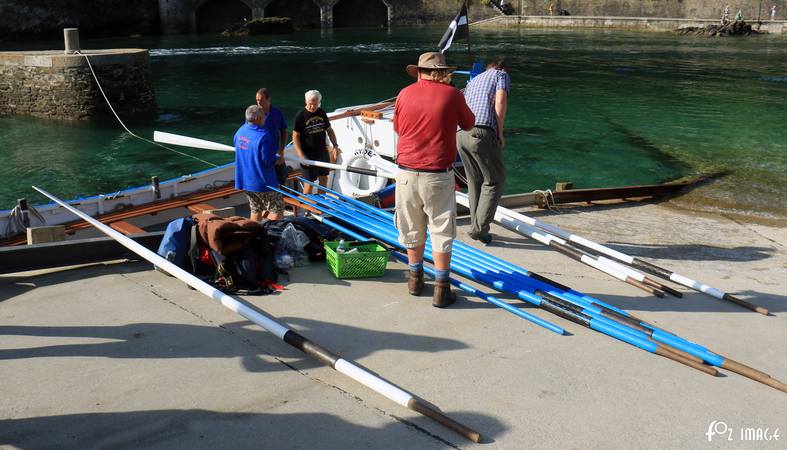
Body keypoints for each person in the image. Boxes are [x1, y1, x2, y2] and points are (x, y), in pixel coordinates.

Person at [393, 52, 475, 308]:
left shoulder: (404, 94)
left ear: (419, 72)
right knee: (440, 229)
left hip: (406, 172)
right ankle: (441, 288)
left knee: (410, 227)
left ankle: (415, 279)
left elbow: (397, 127)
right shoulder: (452, 95)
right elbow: (470, 124)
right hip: (437, 174)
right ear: (445, 73)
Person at [456, 57, 510, 246]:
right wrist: (500, 133)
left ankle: (476, 226)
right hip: (482, 131)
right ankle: (479, 229)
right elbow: (501, 101)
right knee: (495, 180)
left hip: (461, 134)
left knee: (475, 181)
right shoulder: (500, 74)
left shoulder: (474, 80)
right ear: (500, 67)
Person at [234, 105, 284, 221]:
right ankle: (271, 234)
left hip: (246, 181)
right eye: (264, 115)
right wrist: (278, 159)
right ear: (257, 118)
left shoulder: (240, 131)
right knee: (277, 208)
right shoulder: (263, 136)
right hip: (262, 182)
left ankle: (254, 234)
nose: (265, 118)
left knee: (256, 208)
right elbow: (267, 161)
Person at [292, 90, 341, 195]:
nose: (313, 107)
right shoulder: (300, 116)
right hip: (307, 155)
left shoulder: (321, 112)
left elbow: (329, 130)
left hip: (322, 152)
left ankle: (321, 205)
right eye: (310, 104)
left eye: (315, 104)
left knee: (324, 179)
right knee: (309, 183)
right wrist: (301, 155)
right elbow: (295, 137)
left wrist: (335, 145)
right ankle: (307, 210)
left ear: (319, 103)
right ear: (306, 102)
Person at [255, 88, 288, 181]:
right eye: (257, 100)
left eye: (261, 100)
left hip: (276, 154)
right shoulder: (254, 115)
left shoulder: (277, 112)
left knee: (282, 180)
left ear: (269, 99)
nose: (259, 103)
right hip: (261, 156)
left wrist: (281, 149)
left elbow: (284, 130)